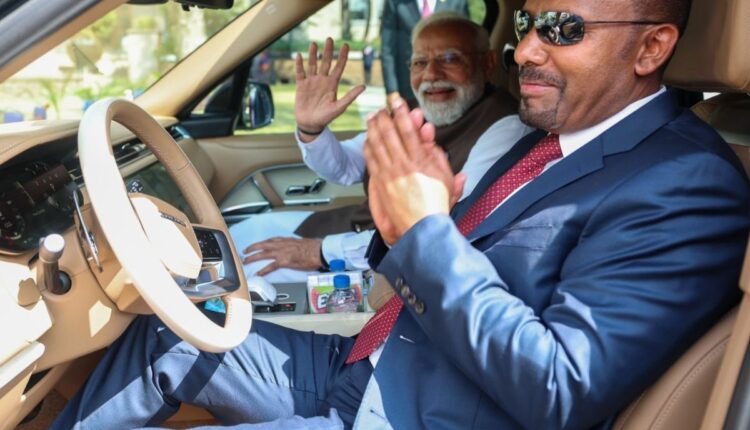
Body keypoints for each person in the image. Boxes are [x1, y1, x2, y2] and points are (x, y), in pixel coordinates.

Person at [52, 1, 750, 429]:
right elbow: (443, 254)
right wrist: (403, 226)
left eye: (563, 29)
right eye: (529, 24)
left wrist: (421, 232)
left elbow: (559, 390)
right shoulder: (549, 139)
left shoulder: (685, 183)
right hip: (368, 364)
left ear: (652, 47)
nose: (529, 49)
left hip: (419, 413)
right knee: (167, 333)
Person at [231, 14, 529, 283]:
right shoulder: (411, 111)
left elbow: (451, 227)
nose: (431, 74)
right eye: (419, 62)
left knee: (245, 270)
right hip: (355, 231)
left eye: (450, 59)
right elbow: (345, 167)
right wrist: (312, 129)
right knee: (240, 235)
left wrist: (321, 252)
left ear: (487, 63)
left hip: (385, 262)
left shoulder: (505, 127)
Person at [380, 0, 469, 104]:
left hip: (448, 89)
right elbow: (387, 49)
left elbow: (466, 46)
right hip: (407, 92)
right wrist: (392, 91)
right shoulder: (395, 2)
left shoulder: (458, 2)